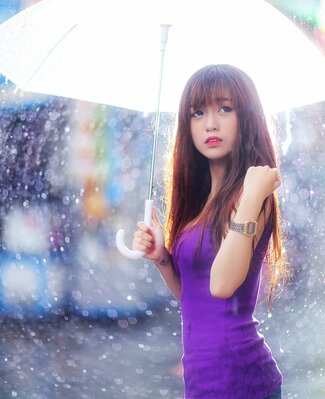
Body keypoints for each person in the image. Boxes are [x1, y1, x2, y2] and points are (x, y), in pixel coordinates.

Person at [132, 64, 290, 399]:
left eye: (225, 108)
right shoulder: (202, 203)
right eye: (198, 112)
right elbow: (194, 295)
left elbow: (221, 285)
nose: (211, 123)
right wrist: (161, 257)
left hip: (240, 379)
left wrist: (252, 196)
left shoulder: (250, 197)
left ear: (245, 116)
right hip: (204, 379)